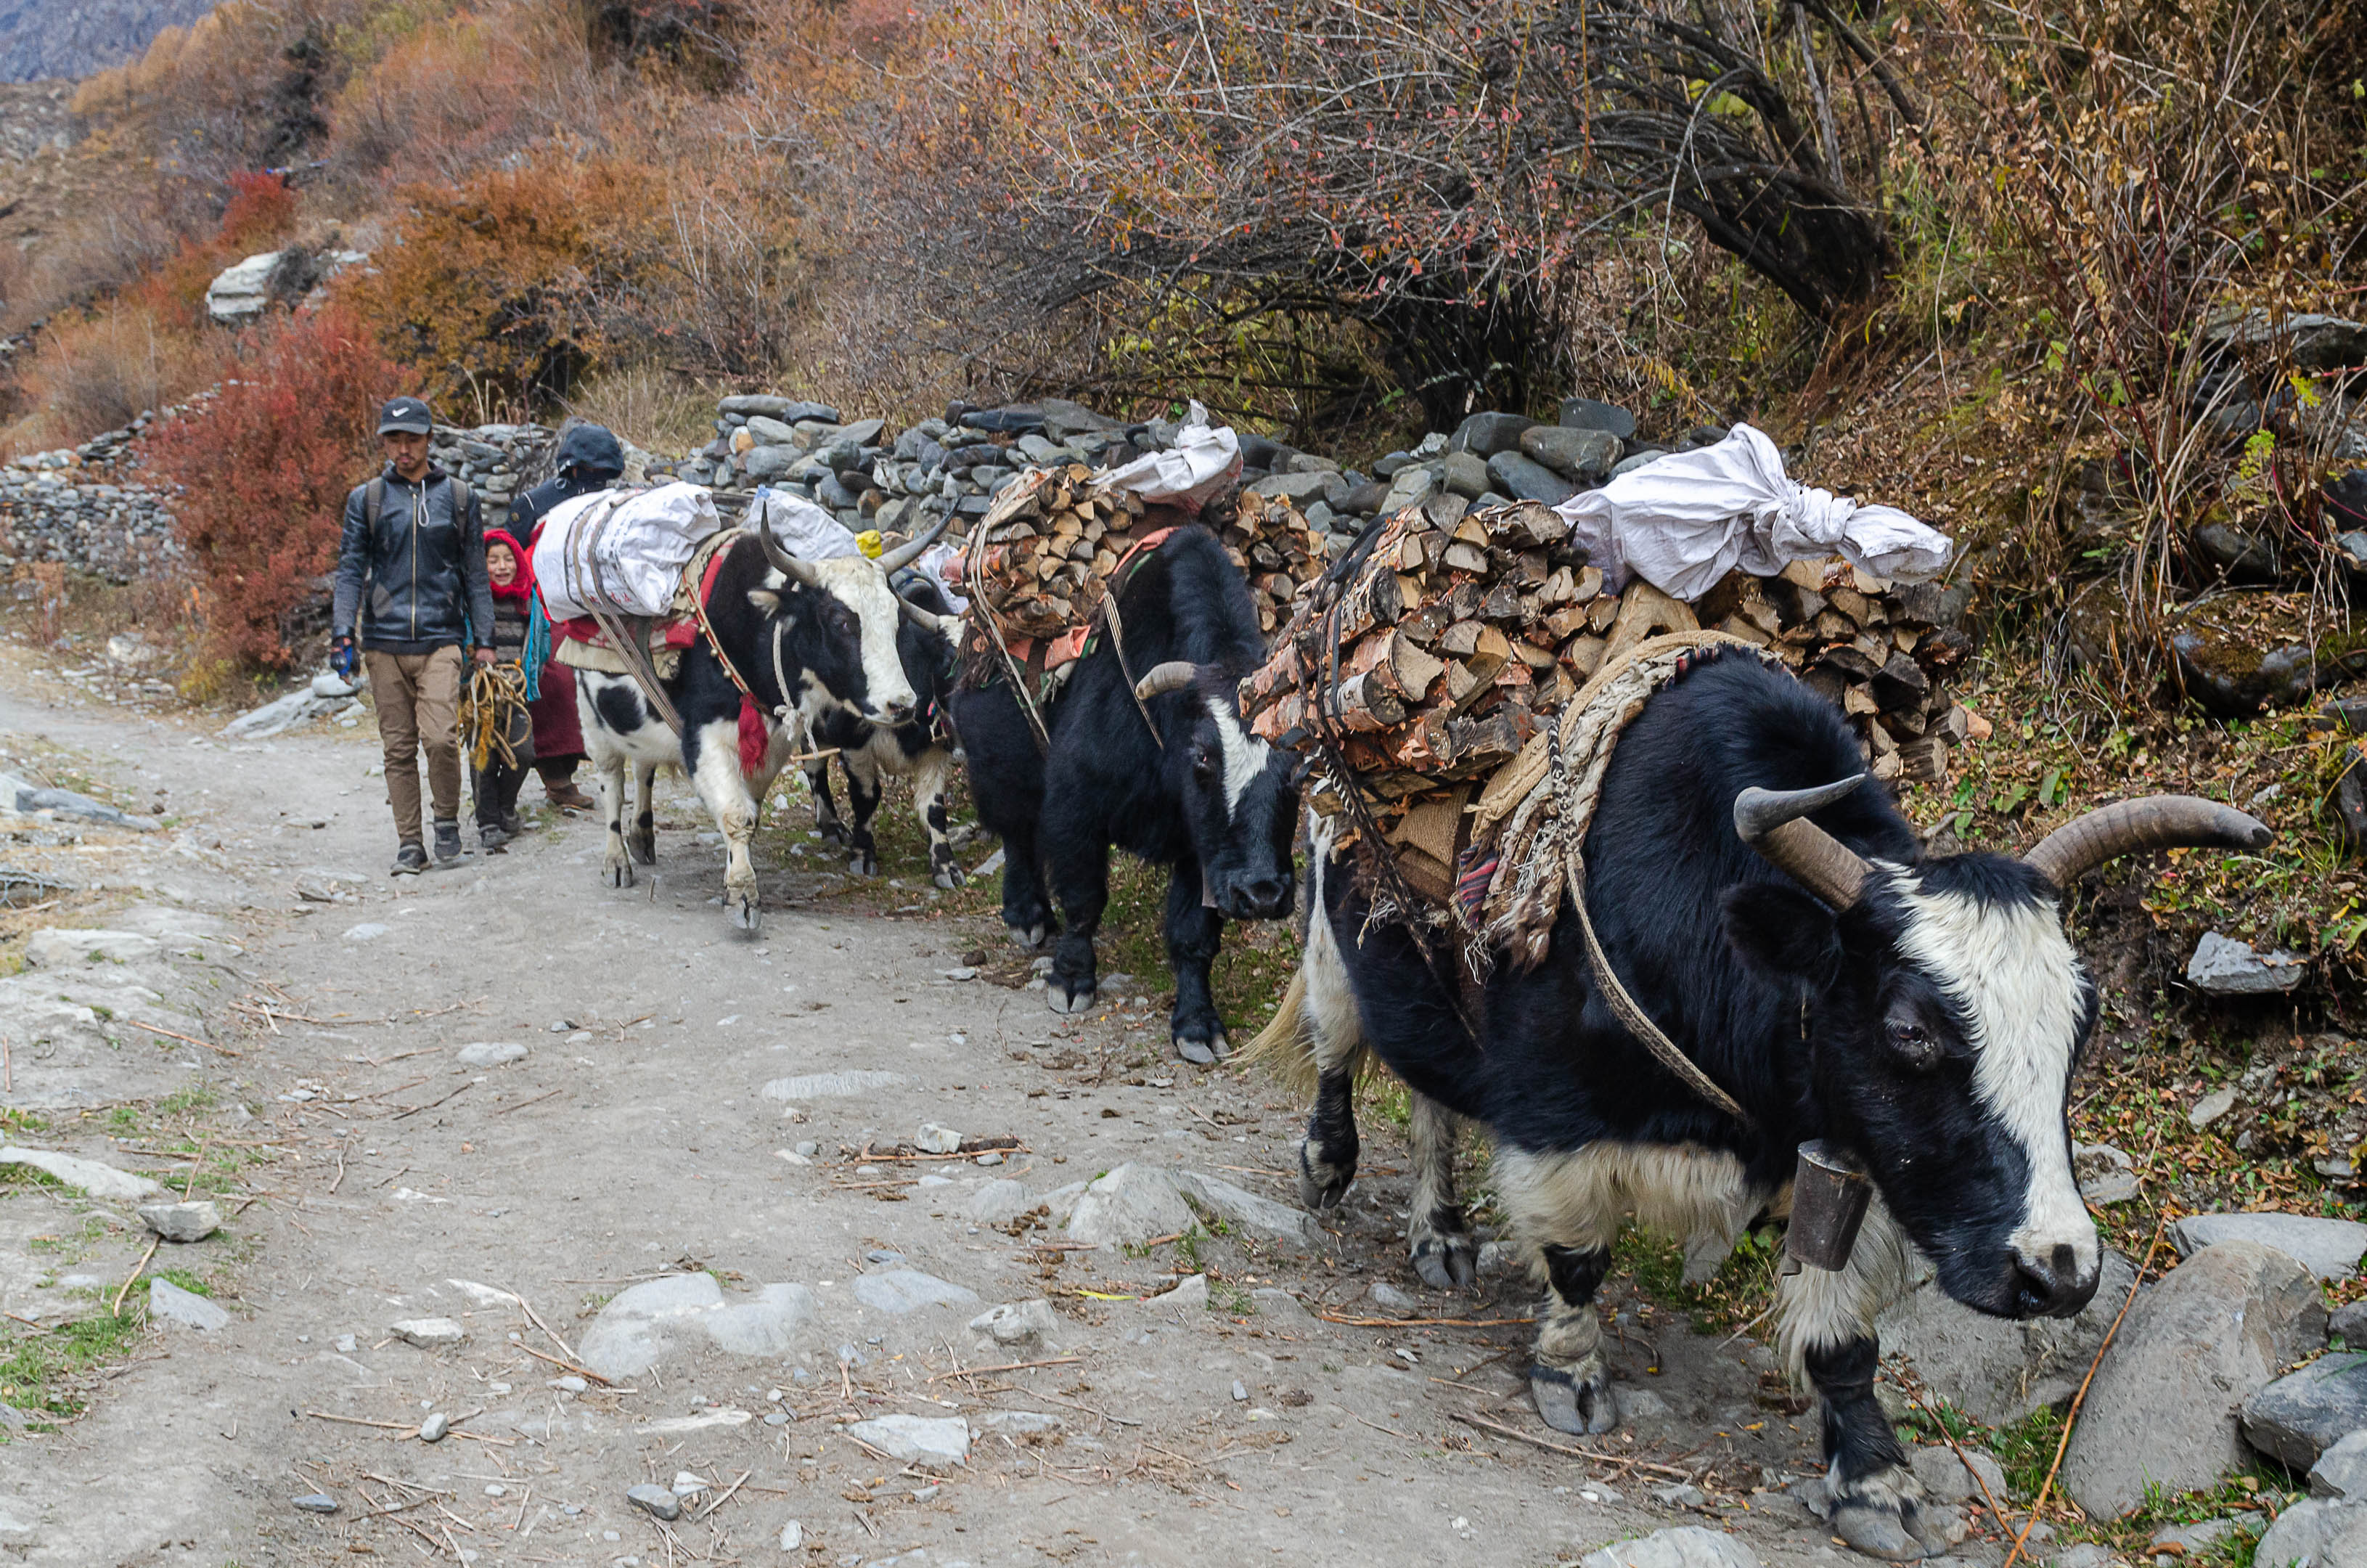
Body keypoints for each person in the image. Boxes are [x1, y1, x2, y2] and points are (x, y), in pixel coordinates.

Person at [332, 396, 496, 875]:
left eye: (412, 439)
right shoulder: (367, 500)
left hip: (442, 639)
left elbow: (476, 576)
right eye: (393, 440)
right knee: (398, 748)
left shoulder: (461, 498)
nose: (402, 449)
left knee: (442, 738)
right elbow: (348, 572)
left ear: (428, 440)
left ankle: (445, 820)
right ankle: (410, 842)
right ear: (384, 442)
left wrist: (483, 641)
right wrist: (343, 633)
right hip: (382, 644)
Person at [504, 421, 625, 813]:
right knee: (554, 676)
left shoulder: (613, 501)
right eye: (592, 472)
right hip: (543, 608)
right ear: (572, 468)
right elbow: (509, 555)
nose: (598, 481)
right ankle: (556, 776)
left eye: (604, 474)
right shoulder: (534, 505)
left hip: (598, 603)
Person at [472, 529, 539, 852]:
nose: (502, 567)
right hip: (479, 693)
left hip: (516, 693)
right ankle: (487, 822)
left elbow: (540, 640)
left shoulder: (528, 599)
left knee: (523, 752)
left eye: (508, 559)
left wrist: (530, 675)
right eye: (493, 560)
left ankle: (506, 806)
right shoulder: (472, 602)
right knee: (483, 757)